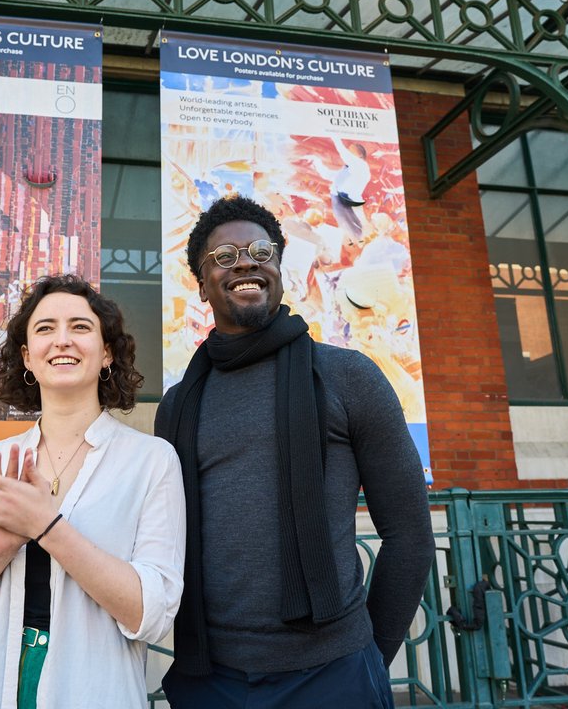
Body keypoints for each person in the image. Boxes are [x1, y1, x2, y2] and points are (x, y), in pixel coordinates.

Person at [156, 195, 435, 708]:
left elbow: (409, 534)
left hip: (332, 672)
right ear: (201, 285)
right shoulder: (177, 405)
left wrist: (370, 656)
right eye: (223, 256)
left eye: (261, 250)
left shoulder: (350, 377)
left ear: (280, 269)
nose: (244, 261)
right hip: (209, 676)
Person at [0, 274, 186, 709]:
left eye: (80, 327)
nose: (62, 340)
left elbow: (150, 613)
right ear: (27, 356)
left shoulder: (151, 460)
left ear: (106, 354)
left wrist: (47, 526)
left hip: (93, 690)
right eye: (45, 329)